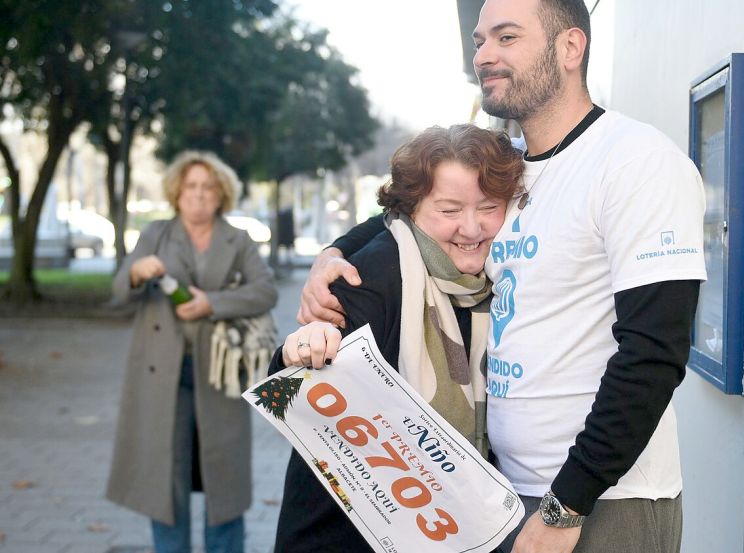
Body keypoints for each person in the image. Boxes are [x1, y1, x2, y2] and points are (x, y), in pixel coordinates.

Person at [297, 1, 707, 551]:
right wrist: (331, 253)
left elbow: (654, 352)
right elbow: (406, 212)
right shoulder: (508, 168)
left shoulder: (635, 162)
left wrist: (568, 505)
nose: (485, 56)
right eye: (479, 41)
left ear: (570, 47)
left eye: (507, 37)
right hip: (502, 493)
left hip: (604, 498)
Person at [267, 124, 524, 553]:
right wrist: (301, 349)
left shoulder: (498, 278)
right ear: (411, 209)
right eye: (448, 210)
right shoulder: (373, 273)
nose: (472, 227)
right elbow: (290, 385)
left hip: (447, 532)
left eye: (489, 206)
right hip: (342, 536)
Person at [106, 151, 277, 553]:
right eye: (191, 187)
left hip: (219, 373)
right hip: (159, 374)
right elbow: (117, 292)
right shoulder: (155, 235)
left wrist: (212, 303)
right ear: (177, 193)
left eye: (208, 187)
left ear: (221, 195)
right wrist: (135, 272)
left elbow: (266, 291)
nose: (199, 195)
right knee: (166, 480)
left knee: (225, 482)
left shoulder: (238, 239)